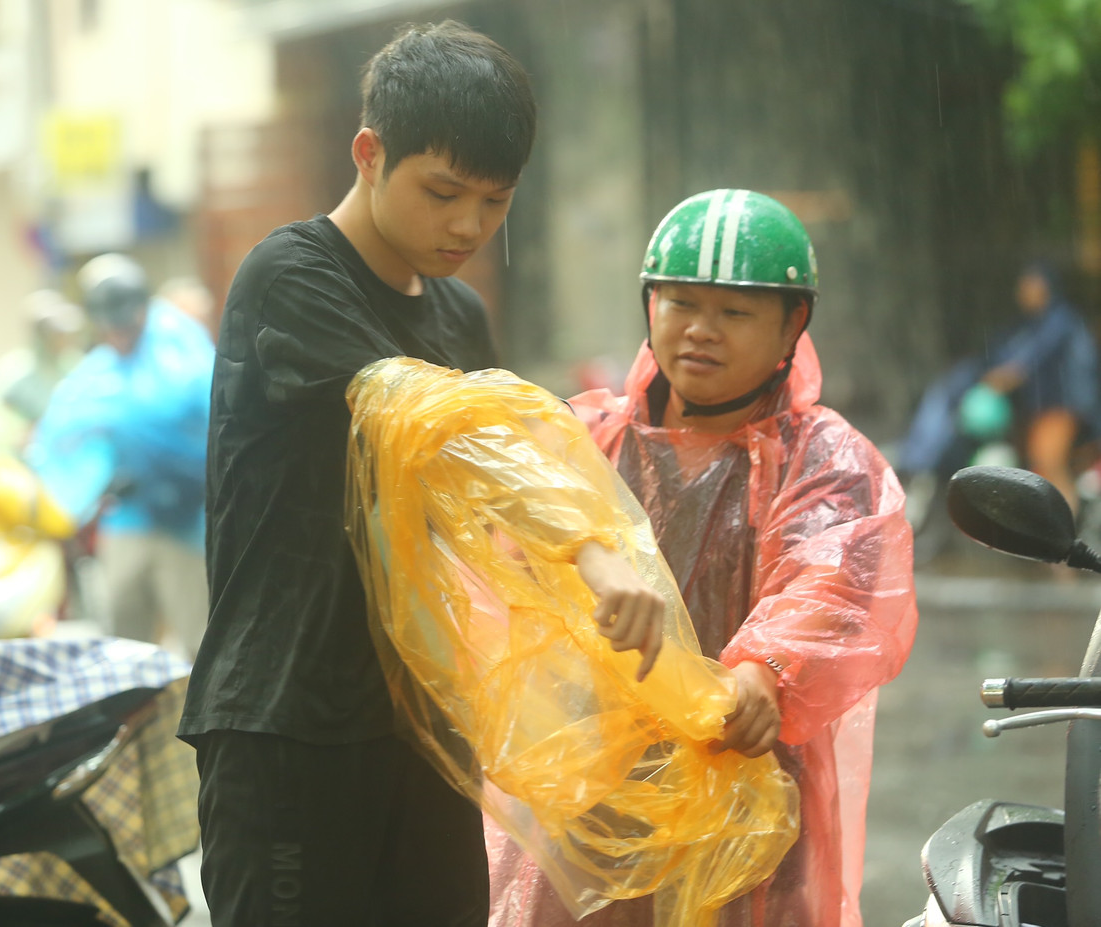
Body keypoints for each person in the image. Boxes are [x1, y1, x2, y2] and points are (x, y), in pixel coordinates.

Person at [177, 21, 666, 927]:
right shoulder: (290, 276)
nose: (468, 226)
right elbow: (444, 429)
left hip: (425, 728)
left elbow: (501, 489)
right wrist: (595, 549)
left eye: (495, 202)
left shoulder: (459, 315)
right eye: (443, 192)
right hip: (287, 723)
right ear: (369, 154)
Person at [487, 189, 919, 926]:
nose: (699, 331)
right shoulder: (583, 438)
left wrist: (763, 673)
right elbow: (509, 530)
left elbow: (830, 580)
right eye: (681, 303)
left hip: (744, 805)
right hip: (586, 811)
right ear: (649, 306)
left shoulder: (825, 460)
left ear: (793, 324)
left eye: (734, 312)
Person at [26, 253, 213, 658]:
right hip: (127, 518)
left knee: (198, 643)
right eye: (110, 326)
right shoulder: (99, 373)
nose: (119, 334)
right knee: (124, 645)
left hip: (186, 521)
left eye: (126, 324)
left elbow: (193, 409)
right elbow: (66, 430)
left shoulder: (179, 351)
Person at [898, 260, 1101, 512]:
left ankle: (1065, 527)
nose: (1024, 293)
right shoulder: (1032, 323)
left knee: (1049, 465)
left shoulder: (1058, 320)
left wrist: (998, 379)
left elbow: (1028, 359)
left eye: (1031, 286)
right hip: (1042, 409)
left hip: (1061, 408)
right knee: (1041, 467)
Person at [0, 289, 85, 456]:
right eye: (55, 334)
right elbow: (2, 431)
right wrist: (25, 435)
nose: (63, 340)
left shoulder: (73, 366)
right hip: (18, 465)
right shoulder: (15, 375)